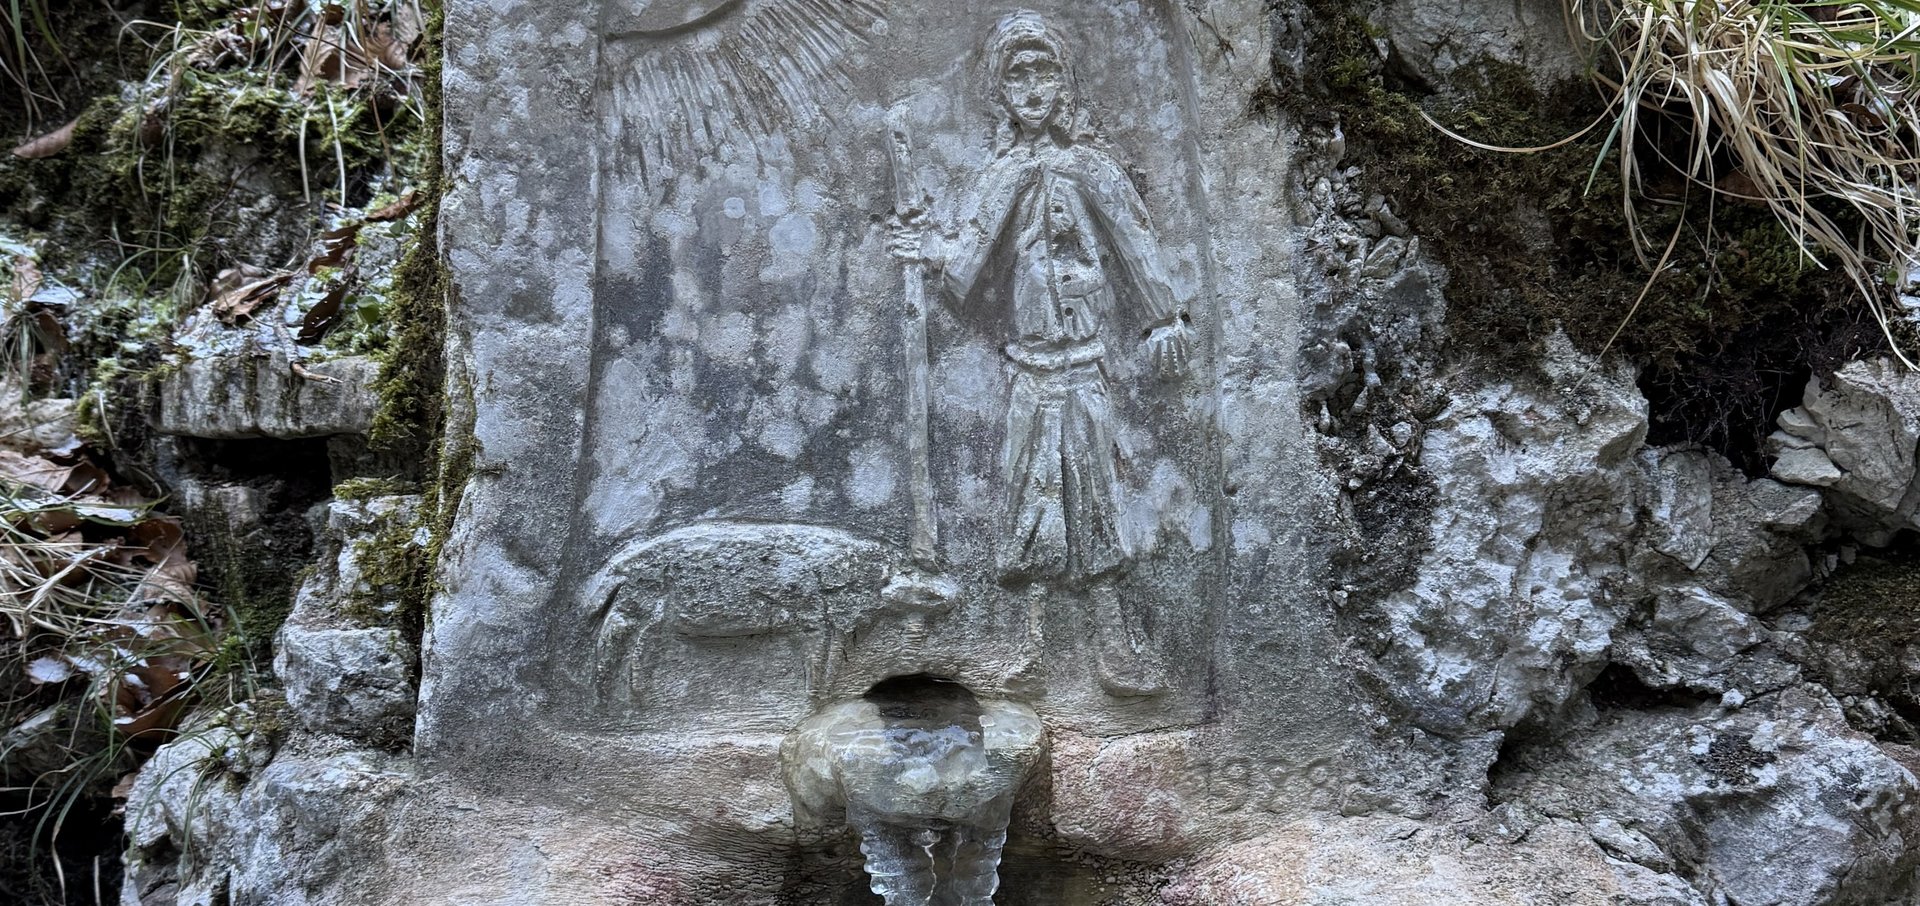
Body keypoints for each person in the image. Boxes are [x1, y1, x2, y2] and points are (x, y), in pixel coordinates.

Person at [889, 10, 1191, 694]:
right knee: (1031, 498)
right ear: (1000, 90)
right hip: (1030, 367)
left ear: (1064, 82)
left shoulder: (1091, 168)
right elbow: (966, 269)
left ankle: (1114, 646)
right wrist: (927, 250)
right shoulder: (998, 176)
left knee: (1093, 497)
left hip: (1084, 364)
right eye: (1017, 75)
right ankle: (1027, 646)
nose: (1031, 88)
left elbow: (1135, 242)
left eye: (1044, 71)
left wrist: (1164, 315)